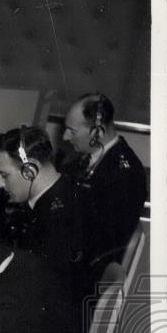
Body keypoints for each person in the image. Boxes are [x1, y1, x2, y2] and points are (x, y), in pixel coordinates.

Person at [0, 126, 86, 289]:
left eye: (5, 175)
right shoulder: (59, 190)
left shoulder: (57, 221)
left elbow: (31, 282)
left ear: (30, 170)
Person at [61, 93, 147, 271]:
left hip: (83, 273)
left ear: (97, 132)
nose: (65, 137)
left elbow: (103, 242)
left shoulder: (125, 174)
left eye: (72, 131)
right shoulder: (82, 159)